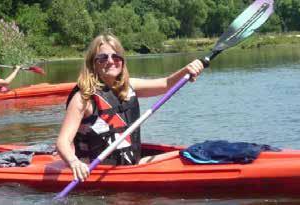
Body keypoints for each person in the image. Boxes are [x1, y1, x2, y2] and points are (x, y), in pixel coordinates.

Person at [55, 34, 204, 182]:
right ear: (93, 63)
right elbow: (62, 142)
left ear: (122, 61)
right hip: (94, 171)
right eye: (103, 58)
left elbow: (166, 84)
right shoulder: (83, 98)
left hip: (132, 165)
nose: (111, 61)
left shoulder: (129, 87)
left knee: (189, 153)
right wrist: (74, 163)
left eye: (116, 57)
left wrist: (186, 71)